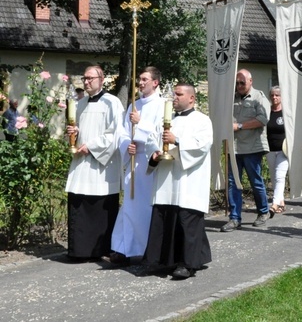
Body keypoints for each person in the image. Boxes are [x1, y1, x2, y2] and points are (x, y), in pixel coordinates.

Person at [144, 83, 213, 279]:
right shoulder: (165, 120)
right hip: (166, 179)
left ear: (191, 98)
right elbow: (151, 140)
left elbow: (202, 145)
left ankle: (187, 264)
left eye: (179, 94)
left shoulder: (202, 120)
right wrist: (155, 153)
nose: (174, 97)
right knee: (165, 218)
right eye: (174, 94)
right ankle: (164, 261)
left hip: (188, 181)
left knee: (186, 221)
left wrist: (177, 140)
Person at [64, 65, 124, 261]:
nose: (87, 82)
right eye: (84, 79)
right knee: (79, 203)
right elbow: (80, 130)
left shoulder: (112, 103)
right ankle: (79, 250)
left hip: (101, 165)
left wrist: (90, 146)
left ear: (102, 79)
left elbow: (115, 134)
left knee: (100, 207)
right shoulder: (80, 104)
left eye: (90, 78)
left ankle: (102, 249)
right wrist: (74, 135)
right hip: (82, 163)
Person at [110, 67, 165, 265]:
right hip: (134, 160)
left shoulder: (162, 105)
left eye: (144, 79)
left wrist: (140, 123)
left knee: (146, 207)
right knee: (130, 205)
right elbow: (123, 133)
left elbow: (160, 134)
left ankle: (147, 248)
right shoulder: (134, 105)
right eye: (139, 80)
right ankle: (123, 248)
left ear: (155, 82)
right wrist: (128, 145)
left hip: (150, 163)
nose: (140, 83)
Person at [221, 69, 271, 232]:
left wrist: (240, 126)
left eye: (242, 82)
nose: (239, 86)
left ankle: (263, 212)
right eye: (237, 83)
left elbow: (263, 120)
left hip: (252, 147)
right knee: (232, 183)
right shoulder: (232, 98)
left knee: (255, 181)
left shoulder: (259, 98)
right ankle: (235, 218)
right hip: (234, 148)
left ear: (251, 81)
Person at [265, 86, 289, 216]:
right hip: (270, 149)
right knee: (274, 177)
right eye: (272, 95)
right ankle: (281, 202)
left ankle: (274, 204)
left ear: (281, 97)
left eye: (277, 95)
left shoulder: (286, 113)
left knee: (280, 176)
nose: (274, 97)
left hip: (283, 151)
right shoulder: (267, 112)